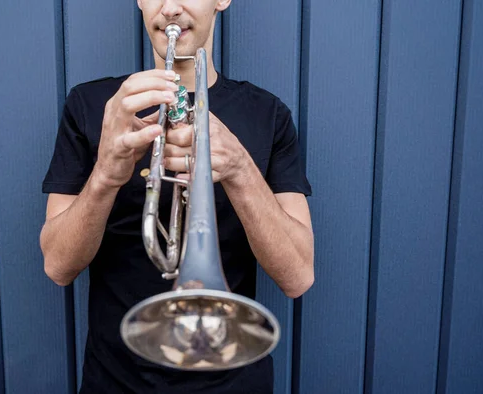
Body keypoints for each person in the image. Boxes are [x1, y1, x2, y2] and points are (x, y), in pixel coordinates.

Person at [40, 1, 314, 392]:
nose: (169, 8)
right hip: (115, 381)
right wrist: (105, 175)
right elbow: (57, 265)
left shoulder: (268, 115)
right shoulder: (94, 106)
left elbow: (299, 275)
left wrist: (238, 167)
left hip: (233, 381)